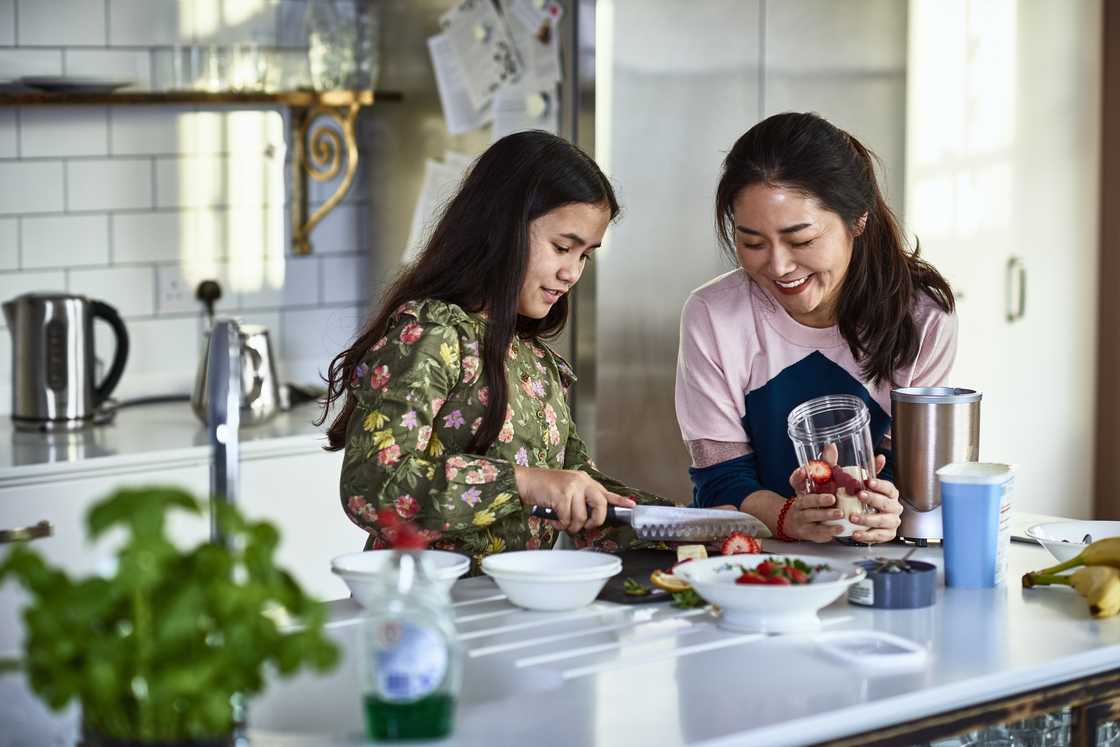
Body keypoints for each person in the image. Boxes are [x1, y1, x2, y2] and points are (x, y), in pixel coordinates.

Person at [321, 130, 669, 565]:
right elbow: (372, 486)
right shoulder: (432, 335)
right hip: (422, 599)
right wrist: (524, 483)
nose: (572, 273)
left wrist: (695, 524)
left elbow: (581, 494)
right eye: (562, 247)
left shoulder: (535, 361)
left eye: (584, 255)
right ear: (501, 228)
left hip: (509, 600)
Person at [675, 112, 957, 545]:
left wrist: (886, 511)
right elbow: (719, 479)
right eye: (752, 243)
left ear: (857, 219)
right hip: (754, 560)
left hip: (875, 562)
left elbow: (909, 477)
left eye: (801, 240)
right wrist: (786, 516)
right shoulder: (712, 315)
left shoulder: (922, 318)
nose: (779, 266)